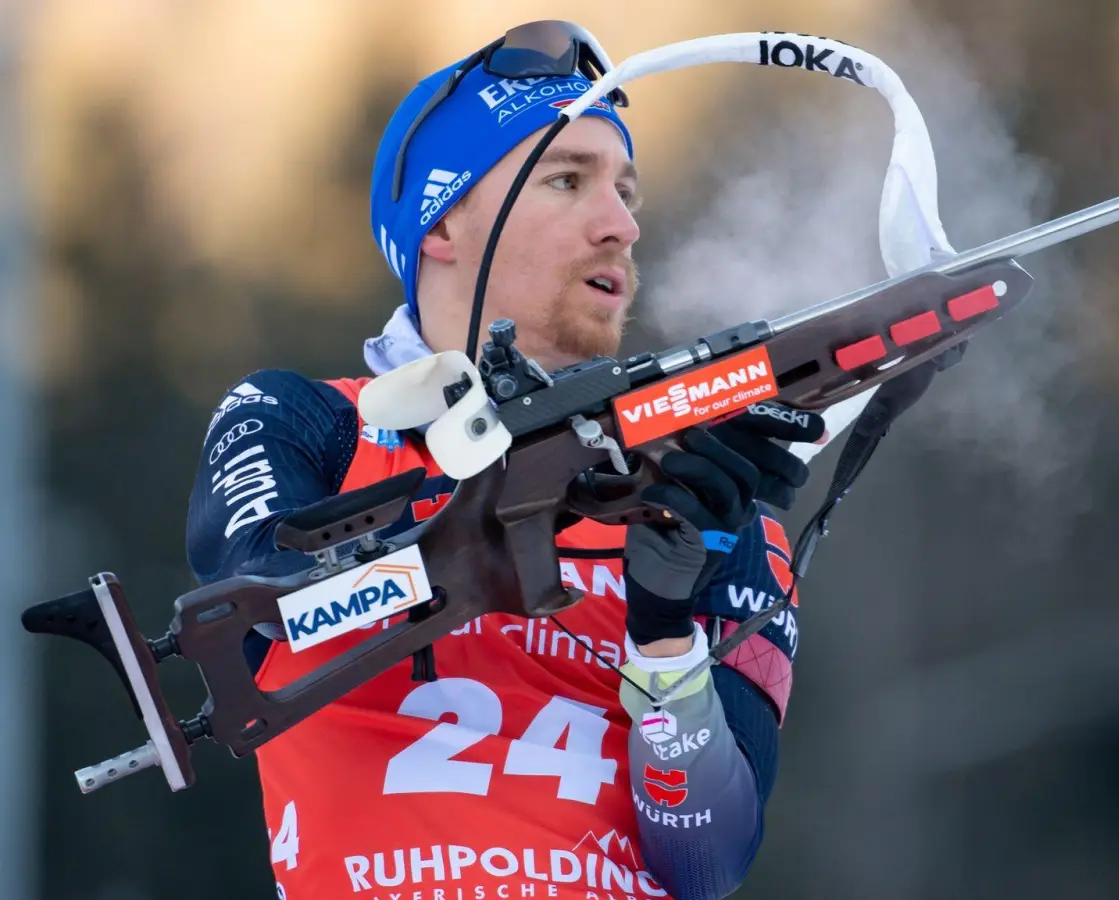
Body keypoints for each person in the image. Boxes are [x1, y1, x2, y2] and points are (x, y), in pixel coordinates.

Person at [185, 21, 820, 900]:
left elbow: (705, 862)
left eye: (628, 191)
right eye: (568, 180)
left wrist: (663, 627)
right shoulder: (314, 422)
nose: (622, 225)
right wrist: (506, 513)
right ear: (443, 223)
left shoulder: (707, 499)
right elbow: (257, 602)